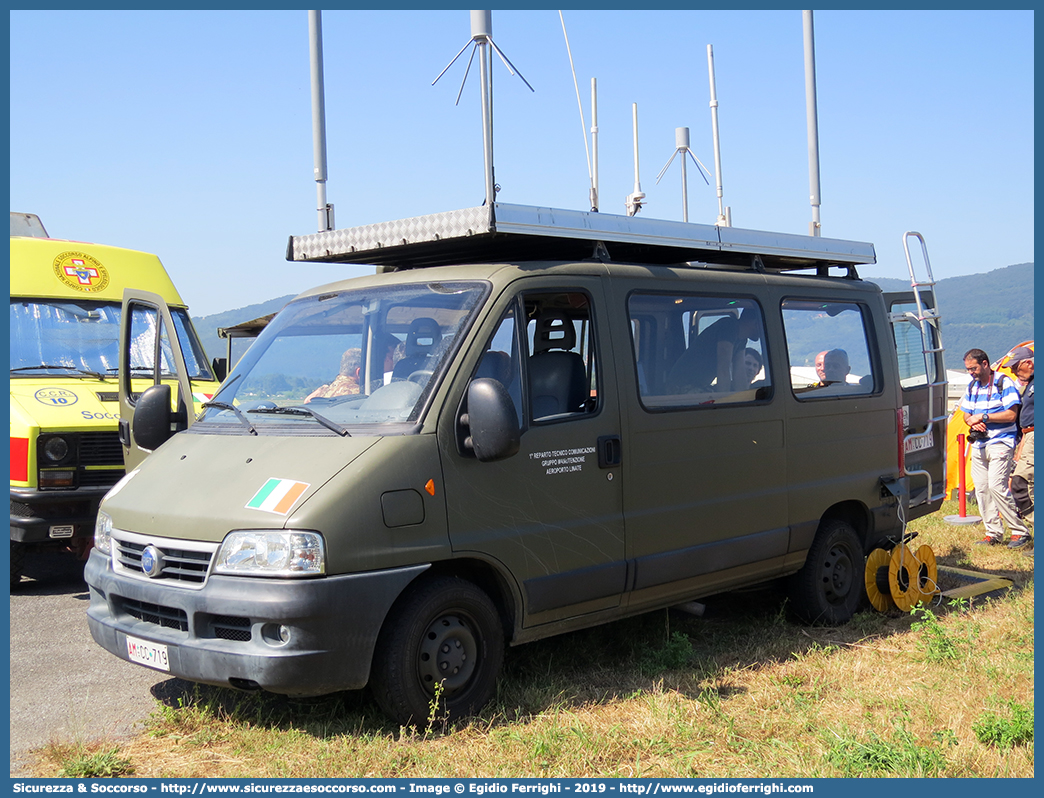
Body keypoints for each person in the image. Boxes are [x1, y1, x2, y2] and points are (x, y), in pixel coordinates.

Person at [959, 347, 1031, 548]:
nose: (971, 372)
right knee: (982, 488)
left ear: (984, 364)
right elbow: (966, 414)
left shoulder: (1003, 382)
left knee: (996, 486)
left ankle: (1019, 531)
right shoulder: (972, 386)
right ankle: (993, 532)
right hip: (979, 443)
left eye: (973, 368)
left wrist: (983, 417)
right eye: (968, 369)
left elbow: (1011, 415)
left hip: (1001, 441)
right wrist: (972, 422)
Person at [668, 308, 762, 393]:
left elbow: (739, 374)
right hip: (681, 387)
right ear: (756, 324)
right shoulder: (729, 327)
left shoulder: (742, 339)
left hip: (699, 385)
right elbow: (723, 369)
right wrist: (725, 403)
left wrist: (746, 399)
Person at [1008, 347, 1033, 538]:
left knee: (1021, 484)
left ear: (1028, 363)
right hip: (1028, 435)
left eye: (1016, 367)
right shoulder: (1030, 383)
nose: (1013, 372)